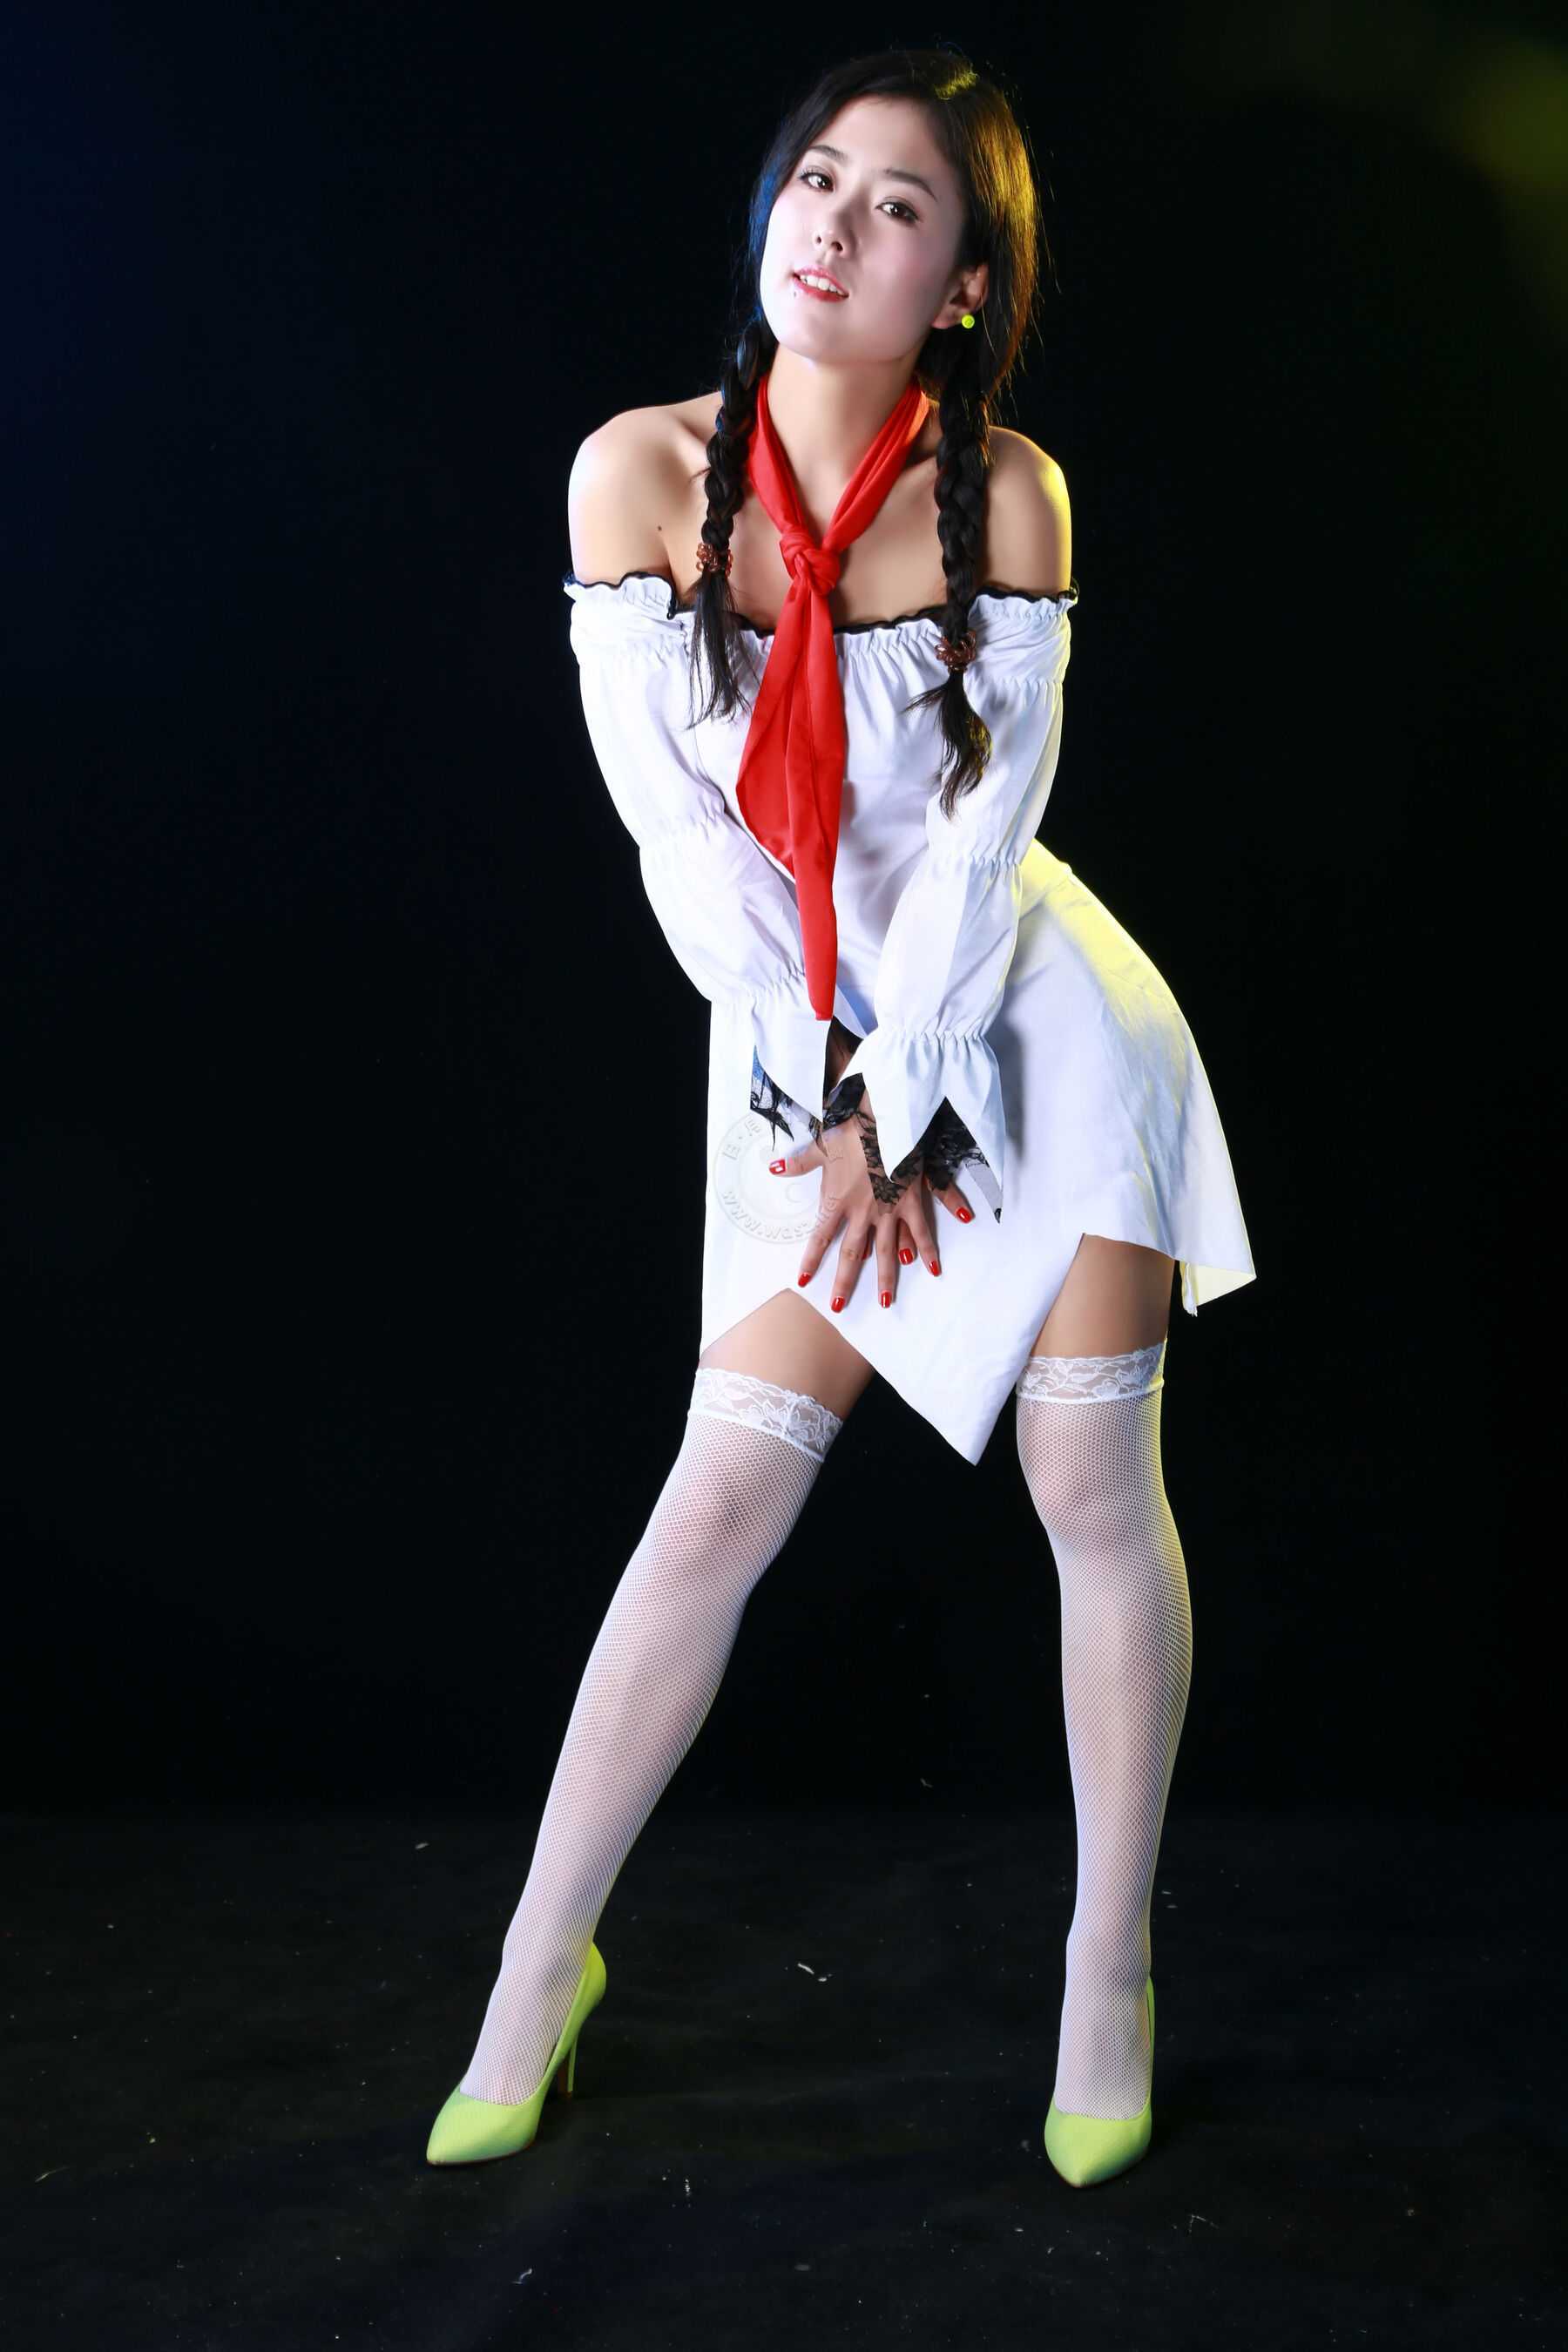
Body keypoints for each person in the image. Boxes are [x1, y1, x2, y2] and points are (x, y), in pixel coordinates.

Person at [427, 46, 1256, 2186]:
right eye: (819, 179)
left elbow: (982, 857)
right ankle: (534, 1970)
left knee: (1088, 1481)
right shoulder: (636, 474)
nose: (836, 225)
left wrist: (911, 1096)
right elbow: (687, 849)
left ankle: (1106, 1971)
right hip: (795, 1050)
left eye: (899, 205)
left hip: (1030, 1037)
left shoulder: (1009, 496)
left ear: (963, 281)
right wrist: (833, 1107)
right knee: (716, 1501)